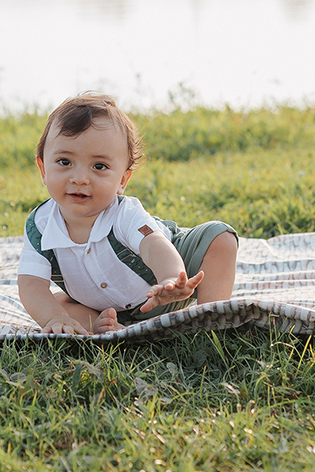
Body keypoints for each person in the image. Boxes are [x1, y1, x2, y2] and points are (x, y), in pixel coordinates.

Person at [17, 92, 239, 334]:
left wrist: (170, 279)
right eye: (64, 162)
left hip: (167, 286)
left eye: (99, 166)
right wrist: (54, 319)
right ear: (43, 169)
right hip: (102, 306)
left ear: (123, 180)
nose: (79, 179)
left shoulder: (124, 213)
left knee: (221, 238)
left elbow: (154, 245)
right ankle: (106, 325)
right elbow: (31, 284)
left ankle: (211, 319)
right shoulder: (39, 227)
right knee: (56, 305)